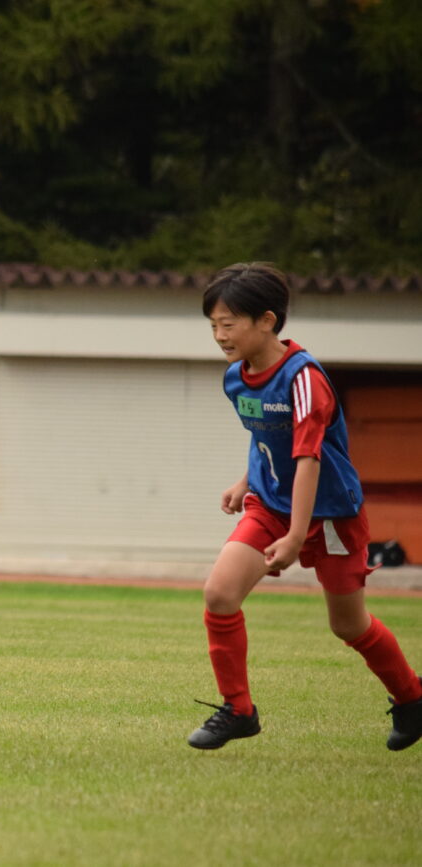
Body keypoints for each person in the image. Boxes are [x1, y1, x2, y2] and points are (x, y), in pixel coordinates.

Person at [190, 262, 422, 751]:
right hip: (270, 505)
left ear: (267, 321)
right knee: (220, 594)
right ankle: (239, 710)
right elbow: (266, 437)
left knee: (348, 625)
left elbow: (308, 458)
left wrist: (296, 537)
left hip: (331, 516)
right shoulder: (235, 379)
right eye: (213, 325)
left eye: (228, 323)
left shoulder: (303, 379)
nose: (219, 335)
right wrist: (245, 480)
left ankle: (413, 698)